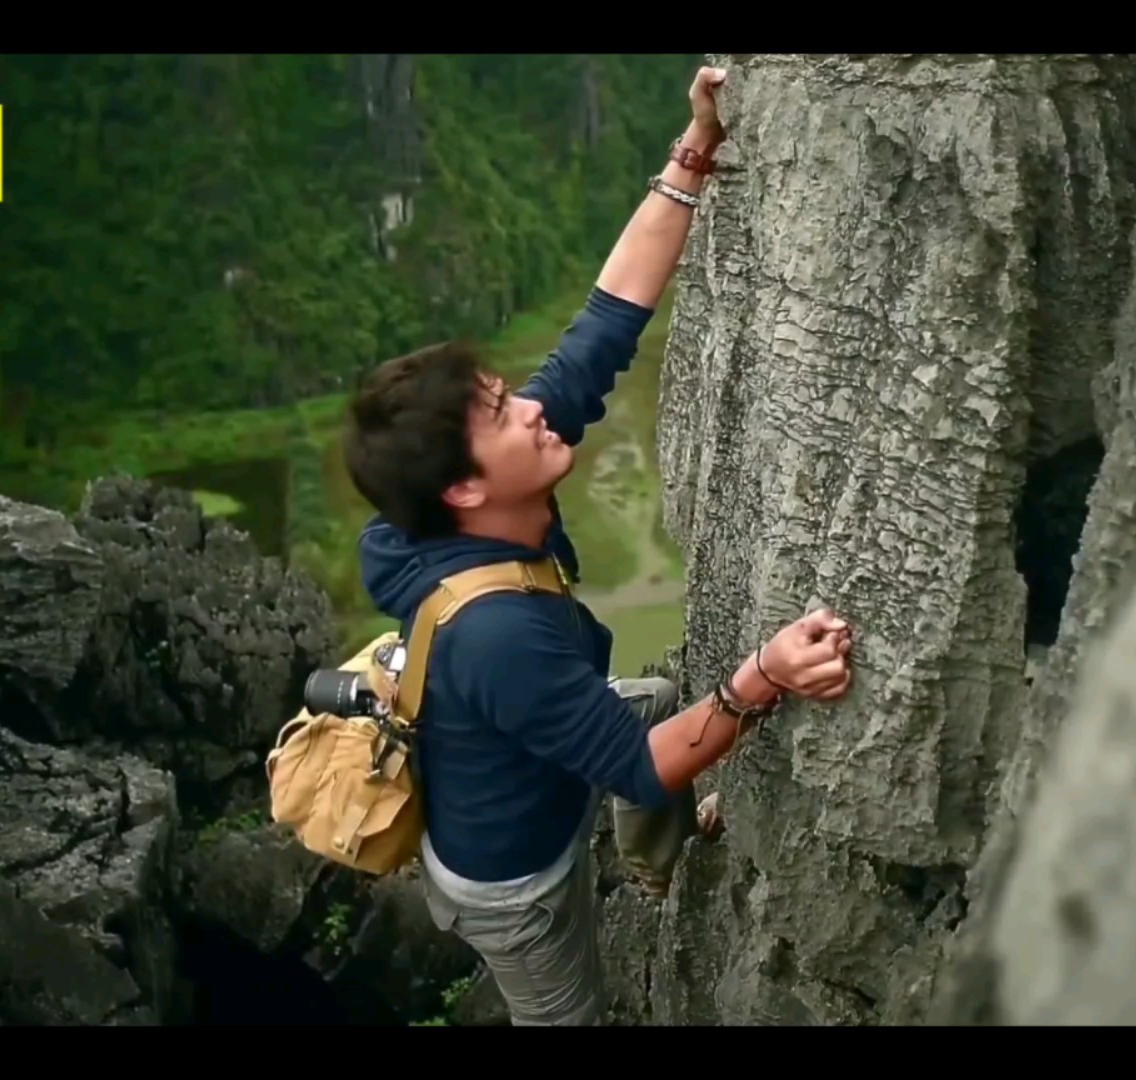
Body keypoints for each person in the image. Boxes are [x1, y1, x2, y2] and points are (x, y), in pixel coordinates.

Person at [340, 65, 854, 1026]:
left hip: (531, 767)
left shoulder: (473, 495)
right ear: (463, 488)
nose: (532, 406)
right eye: (503, 411)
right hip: (515, 884)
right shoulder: (499, 634)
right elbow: (638, 768)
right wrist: (767, 675)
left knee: (652, 700)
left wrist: (694, 150)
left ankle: (653, 866)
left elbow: (609, 317)